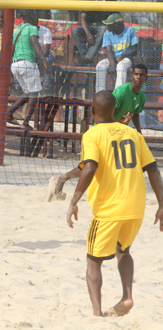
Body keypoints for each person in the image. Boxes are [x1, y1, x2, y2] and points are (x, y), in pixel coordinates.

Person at [66, 90, 163, 317]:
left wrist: (73, 200)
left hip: (110, 209)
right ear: (116, 110)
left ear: (92, 111)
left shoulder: (92, 135)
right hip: (136, 207)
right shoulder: (133, 134)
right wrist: (161, 204)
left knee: (93, 260)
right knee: (123, 251)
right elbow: (153, 169)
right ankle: (126, 297)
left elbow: (89, 167)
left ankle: (97, 314)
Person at [47, 64, 149, 202]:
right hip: (102, 131)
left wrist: (139, 132)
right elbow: (108, 113)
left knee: (116, 164)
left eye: (142, 75)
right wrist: (115, 129)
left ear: (146, 78)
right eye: (136, 74)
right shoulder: (122, 92)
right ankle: (63, 179)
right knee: (89, 166)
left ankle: (120, 191)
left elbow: (135, 114)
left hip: (118, 134)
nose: (139, 77)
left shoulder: (141, 96)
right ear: (131, 76)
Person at [6, 10, 48, 130]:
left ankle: (9, 112)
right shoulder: (32, 28)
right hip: (27, 63)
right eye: (36, 16)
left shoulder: (17, 29)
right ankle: (25, 122)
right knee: (34, 94)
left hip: (15, 65)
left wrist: (9, 70)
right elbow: (35, 42)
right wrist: (44, 60)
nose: (37, 19)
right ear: (32, 18)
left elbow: (11, 49)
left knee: (28, 93)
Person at [72, 0, 116, 66]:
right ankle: (86, 58)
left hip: (104, 27)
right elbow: (82, 18)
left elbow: (116, 16)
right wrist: (88, 33)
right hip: (89, 26)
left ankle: (86, 59)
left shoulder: (110, 0)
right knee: (75, 30)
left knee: (103, 29)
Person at [96, 13, 138, 93]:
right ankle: (100, 93)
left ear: (117, 24)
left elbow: (135, 50)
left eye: (109, 25)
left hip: (127, 59)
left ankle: (118, 93)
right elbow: (109, 50)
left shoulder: (130, 31)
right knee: (100, 65)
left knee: (121, 65)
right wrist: (112, 63)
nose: (107, 27)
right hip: (112, 58)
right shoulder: (107, 33)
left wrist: (122, 55)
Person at [37, 22, 54, 91]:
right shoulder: (25, 31)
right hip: (32, 56)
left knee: (46, 60)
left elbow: (46, 51)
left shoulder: (46, 31)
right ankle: (18, 87)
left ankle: (46, 88)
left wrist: (38, 60)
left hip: (46, 56)